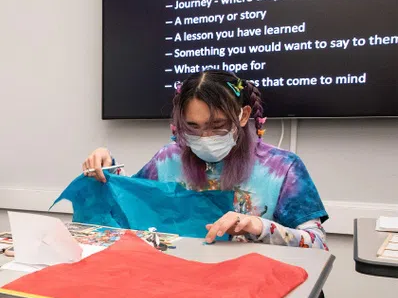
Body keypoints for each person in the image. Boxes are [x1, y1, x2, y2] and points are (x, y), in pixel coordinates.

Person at [83, 69, 329, 249]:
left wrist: (257, 226)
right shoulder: (169, 158)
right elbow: (131, 206)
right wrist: (105, 169)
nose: (205, 137)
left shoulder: (283, 168)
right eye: (192, 127)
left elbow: (316, 243)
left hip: (252, 286)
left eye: (218, 125)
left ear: (243, 116)